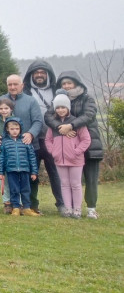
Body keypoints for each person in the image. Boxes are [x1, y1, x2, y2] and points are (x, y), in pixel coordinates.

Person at [45, 71, 103, 219]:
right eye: (63, 83)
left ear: (76, 83)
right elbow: (48, 117)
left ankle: (91, 208)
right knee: (68, 181)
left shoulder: (87, 98)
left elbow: (88, 115)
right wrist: (62, 128)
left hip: (89, 143)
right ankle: (70, 208)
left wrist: (71, 126)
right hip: (67, 147)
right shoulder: (59, 100)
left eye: (69, 83)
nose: (67, 86)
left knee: (90, 178)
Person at [0, 75, 43, 212]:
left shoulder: (31, 101)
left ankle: (30, 205)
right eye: (10, 84)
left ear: (22, 85)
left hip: (26, 146)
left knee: (29, 179)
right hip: (7, 149)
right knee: (7, 177)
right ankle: (10, 204)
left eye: (15, 84)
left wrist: (31, 134)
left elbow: (38, 121)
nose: (12, 87)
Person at [23, 60, 64, 212]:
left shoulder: (57, 91)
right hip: (32, 139)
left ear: (48, 75)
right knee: (32, 173)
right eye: (36, 72)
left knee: (56, 172)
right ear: (31, 75)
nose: (39, 75)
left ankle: (61, 203)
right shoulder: (25, 91)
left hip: (52, 138)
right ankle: (32, 205)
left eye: (42, 72)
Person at [44, 93, 91, 218]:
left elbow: (86, 140)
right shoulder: (53, 125)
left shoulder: (76, 123)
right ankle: (68, 209)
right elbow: (48, 140)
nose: (60, 110)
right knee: (64, 184)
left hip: (76, 159)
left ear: (68, 108)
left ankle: (77, 210)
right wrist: (53, 151)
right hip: (60, 159)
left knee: (75, 184)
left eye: (63, 107)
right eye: (58, 107)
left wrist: (76, 151)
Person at [0, 118, 40, 216]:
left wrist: (34, 172)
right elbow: (1, 158)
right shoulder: (5, 142)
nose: (15, 131)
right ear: (7, 129)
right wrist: (1, 172)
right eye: (12, 129)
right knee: (14, 189)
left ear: (20, 129)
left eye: (17, 128)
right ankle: (16, 207)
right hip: (11, 170)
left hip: (25, 170)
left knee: (26, 189)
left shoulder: (25, 141)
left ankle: (26, 208)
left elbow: (32, 158)